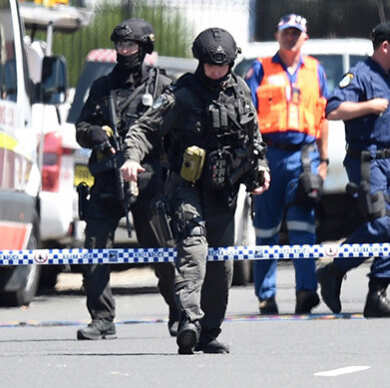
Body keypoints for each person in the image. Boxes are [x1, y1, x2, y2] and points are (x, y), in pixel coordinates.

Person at [120, 28, 269, 354]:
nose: (216, 71)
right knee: (194, 247)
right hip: (186, 187)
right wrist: (131, 158)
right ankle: (188, 319)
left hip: (224, 190)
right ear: (200, 62)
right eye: (210, 65)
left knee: (222, 263)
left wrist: (262, 169)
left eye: (222, 65)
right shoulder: (181, 94)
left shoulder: (241, 91)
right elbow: (144, 128)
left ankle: (209, 331)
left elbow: (253, 137)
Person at [75, 18, 177, 340]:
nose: (124, 51)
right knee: (94, 249)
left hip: (147, 180)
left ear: (144, 48)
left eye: (130, 45)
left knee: (163, 252)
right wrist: (94, 134)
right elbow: (80, 128)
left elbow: (178, 130)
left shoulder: (162, 86)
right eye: (120, 45)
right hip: (107, 181)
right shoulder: (103, 87)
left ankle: (181, 313)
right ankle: (102, 318)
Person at [316, 20, 390, 318]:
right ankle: (334, 270)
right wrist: (368, 106)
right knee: (381, 224)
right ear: (385, 46)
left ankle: (378, 292)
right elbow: (333, 109)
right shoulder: (359, 75)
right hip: (367, 160)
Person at [245, 13, 329, 315]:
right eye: (286, 33)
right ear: (277, 35)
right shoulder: (260, 69)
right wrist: (252, 160)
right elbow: (247, 115)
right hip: (269, 155)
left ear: (305, 37)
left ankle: (306, 291)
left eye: (296, 33)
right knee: (266, 229)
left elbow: (323, 116)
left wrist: (324, 159)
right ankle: (266, 296)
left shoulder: (315, 71)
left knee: (302, 224)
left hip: (303, 156)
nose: (290, 38)